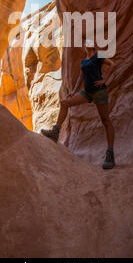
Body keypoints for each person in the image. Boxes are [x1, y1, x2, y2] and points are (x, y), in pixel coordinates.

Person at [41, 40, 116, 169]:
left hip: (99, 92)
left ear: (92, 45)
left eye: (88, 43)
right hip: (86, 92)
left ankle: (110, 154)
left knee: (105, 120)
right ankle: (55, 132)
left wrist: (104, 79)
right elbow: (81, 77)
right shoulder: (84, 61)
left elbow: (112, 64)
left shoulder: (98, 56)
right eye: (85, 43)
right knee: (65, 103)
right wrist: (73, 91)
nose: (86, 45)